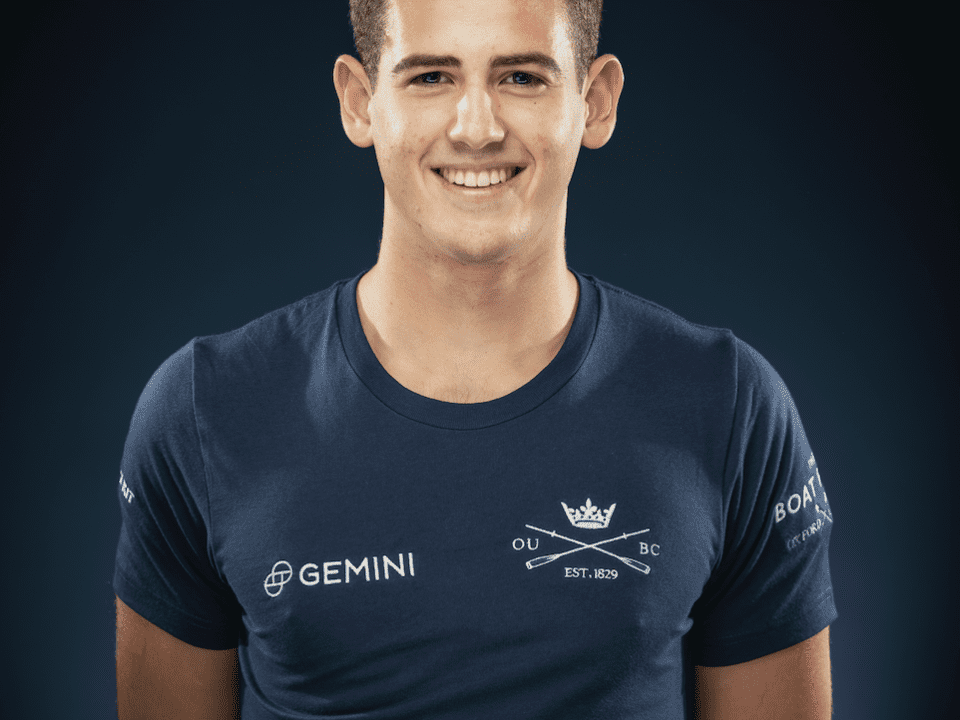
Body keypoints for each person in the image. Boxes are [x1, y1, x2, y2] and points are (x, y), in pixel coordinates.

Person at [114, 0, 837, 717]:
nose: (477, 129)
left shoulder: (727, 404)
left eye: (522, 77)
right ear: (360, 103)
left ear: (596, 103)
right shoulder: (207, 409)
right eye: (431, 77)